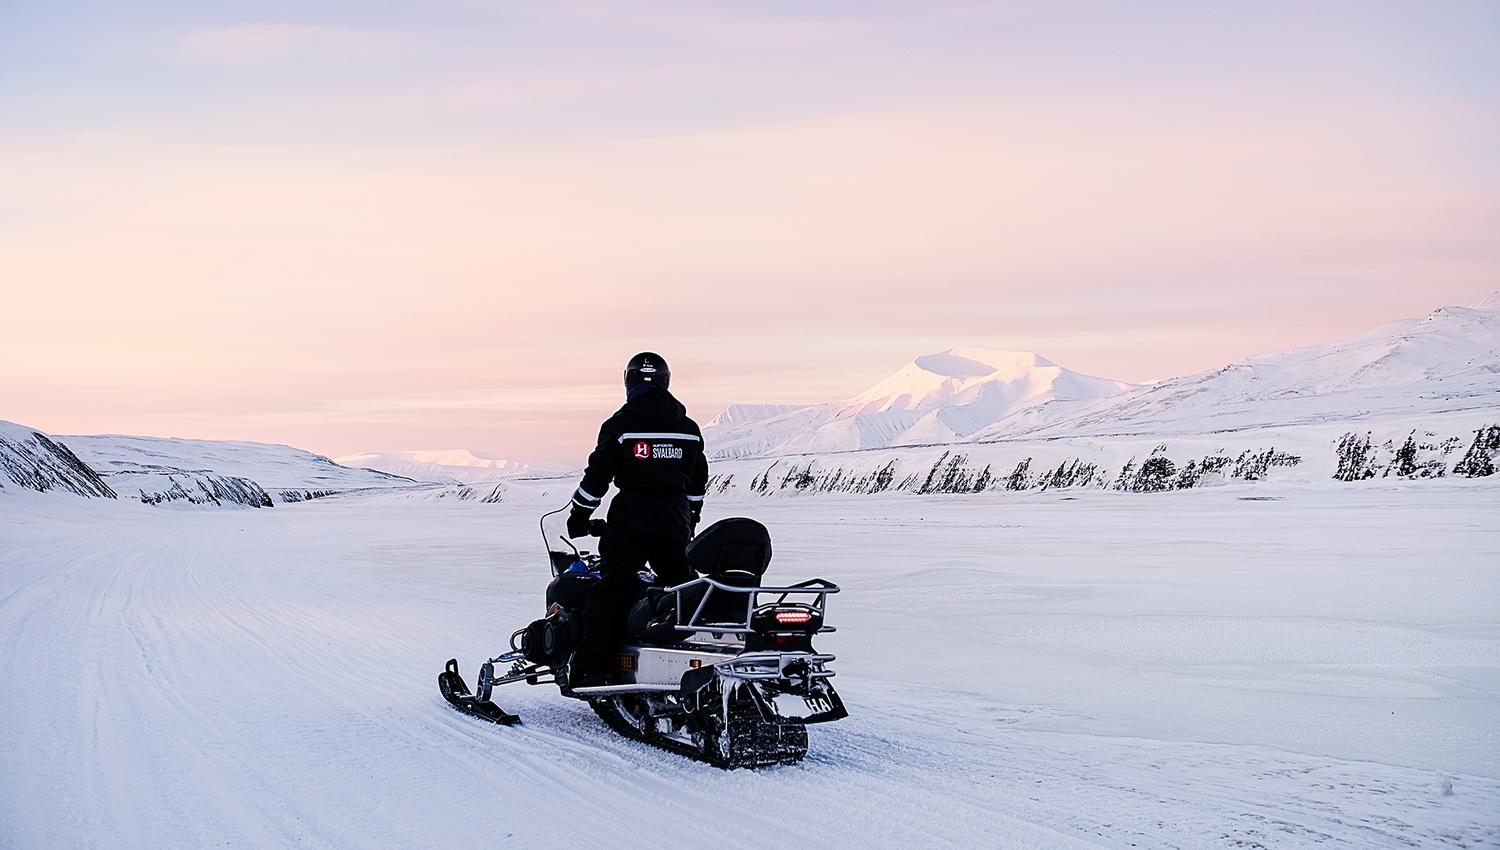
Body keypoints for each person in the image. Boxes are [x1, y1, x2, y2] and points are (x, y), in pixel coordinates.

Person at [565, 352, 708, 687]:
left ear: (629, 382)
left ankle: (593, 673)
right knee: (682, 588)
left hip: (631, 517)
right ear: (665, 381)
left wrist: (579, 515)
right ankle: (692, 655)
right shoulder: (687, 429)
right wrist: (690, 518)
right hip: (673, 520)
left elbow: (598, 475)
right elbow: (698, 481)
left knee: (610, 590)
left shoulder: (621, 425)